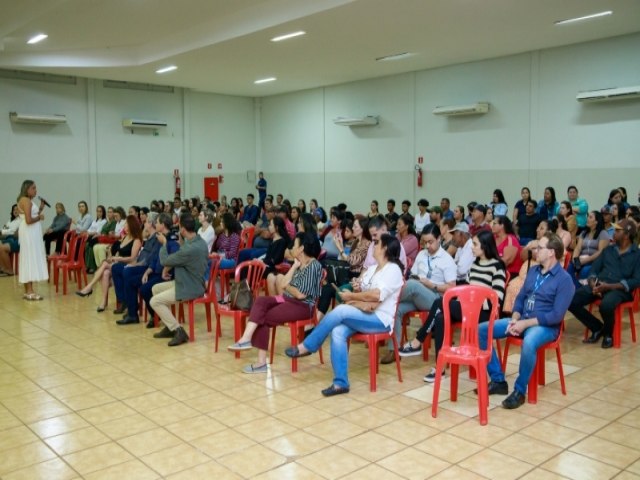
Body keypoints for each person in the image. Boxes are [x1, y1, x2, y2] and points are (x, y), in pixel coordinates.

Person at [284, 234, 404, 396]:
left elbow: (376, 295)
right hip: (365, 313)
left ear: (385, 249)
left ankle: (308, 345)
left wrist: (352, 297)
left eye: (377, 244)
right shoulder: (372, 269)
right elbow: (364, 291)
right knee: (338, 331)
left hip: (380, 320)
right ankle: (341, 383)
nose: (373, 247)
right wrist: (357, 288)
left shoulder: (393, 269)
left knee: (340, 310)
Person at [478, 233, 574, 409]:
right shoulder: (533, 271)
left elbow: (556, 315)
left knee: (529, 342)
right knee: (482, 330)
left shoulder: (564, 280)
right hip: (522, 320)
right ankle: (498, 380)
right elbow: (521, 298)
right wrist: (515, 318)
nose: (535, 250)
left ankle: (520, 391)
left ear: (551, 252)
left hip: (545, 326)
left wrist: (525, 324)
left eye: (540, 247)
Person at [400, 230, 506, 382]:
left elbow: (498, 297)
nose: (471, 248)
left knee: (439, 303)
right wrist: (466, 299)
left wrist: (474, 300)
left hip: (484, 312)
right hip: (469, 308)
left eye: (475, 244)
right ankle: (440, 366)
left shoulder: (497, 266)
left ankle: (418, 341)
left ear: (485, 246)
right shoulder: (475, 264)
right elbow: (468, 288)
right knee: (441, 318)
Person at [228, 232, 322, 372]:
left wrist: (288, 286)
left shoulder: (314, 266)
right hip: (287, 299)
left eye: (294, 245)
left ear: (301, 248)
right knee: (261, 301)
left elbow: (301, 294)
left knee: (263, 316)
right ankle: (246, 338)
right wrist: (294, 268)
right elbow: (283, 283)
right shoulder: (299, 264)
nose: (291, 249)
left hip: (302, 307)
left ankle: (260, 363)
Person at [383, 223, 456, 364]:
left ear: (439, 238)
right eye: (424, 242)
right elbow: (414, 276)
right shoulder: (422, 254)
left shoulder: (447, 259)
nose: (427, 246)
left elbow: (452, 288)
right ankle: (394, 350)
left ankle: (382, 296)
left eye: (430, 242)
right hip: (417, 295)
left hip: (435, 299)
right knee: (396, 308)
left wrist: (431, 284)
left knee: (411, 285)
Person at [569, 219, 640, 349]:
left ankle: (608, 334)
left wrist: (610, 286)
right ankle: (597, 328)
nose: (613, 233)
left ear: (627, 235)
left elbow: (636, 280)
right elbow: (594, 270)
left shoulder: (637, 255)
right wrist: (592, 283)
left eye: (617, 231)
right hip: (599, 285)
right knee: (571, 300)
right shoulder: (608, 250)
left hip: (620, 290)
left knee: (606, 305)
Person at [151, 213, 209, 346]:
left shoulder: (189, 249)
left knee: (155, 301)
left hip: (190, 287)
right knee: (155, 289)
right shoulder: (199, 242)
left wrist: (165, 244)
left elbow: (165, 260)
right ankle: (169, 325)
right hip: (189, 281)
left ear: (182, 230)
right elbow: (182, 257)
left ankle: (178, 330)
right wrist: (182, 242)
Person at [75, 215, 143, 312]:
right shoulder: (125, 237)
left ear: (131, 225)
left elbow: (132, 258)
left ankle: (89, 287)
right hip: (119, 264)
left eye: (126, 224)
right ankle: (103, 302)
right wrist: (113, 258)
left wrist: (117, 258)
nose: (124, 226)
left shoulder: (136, 240)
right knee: (105, 272)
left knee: (105, 265)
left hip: (129, 266)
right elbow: (119, 252)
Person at [113, 212, 164, 325]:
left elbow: (151, 259)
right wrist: (134, 263)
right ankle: (129, 306)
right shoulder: (150, 238)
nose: (144, 223)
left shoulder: (157, 238)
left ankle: (131, 311)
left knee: (127, 272)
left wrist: (135, 264)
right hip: (142, 265)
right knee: (118, 269)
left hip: (148, 268)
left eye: (146, 222)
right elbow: (142, 256)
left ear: (150, 223)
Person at [16, 180, 49, 299]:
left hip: (28, 232)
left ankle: (27, 290)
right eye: (33, 188)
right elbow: (29, 220)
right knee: (30, 258)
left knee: (27, 258)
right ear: (27, 189)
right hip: (29, 232)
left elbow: (29, 216)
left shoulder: (24, 200)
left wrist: (40, 209)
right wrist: (39, 217)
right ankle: (30, 291)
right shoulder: (27, 201)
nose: (36, 190)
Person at [569, 211, 609, 288]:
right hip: (581, 259)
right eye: (588, 216)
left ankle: (578, 290)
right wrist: (575, 259)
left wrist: (586, 260)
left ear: (596, 221)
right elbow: (578, 248)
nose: (587, 219)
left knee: (585, 270)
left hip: (594, 261)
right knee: (570, 267)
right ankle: (573, 288)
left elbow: (601, 251)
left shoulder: (603, 233)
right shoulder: (584, 233)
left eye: (590, 217)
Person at [1, 204, 21, 275]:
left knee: (1, 247)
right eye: (14, 210)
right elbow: (5, 229)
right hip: (8, 238)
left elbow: (14, 232)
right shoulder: (10, 220)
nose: (15, 211)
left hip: (15, 240)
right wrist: (5, 231)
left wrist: (5, 231)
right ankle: (2, 267)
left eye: (17, 209)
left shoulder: (20, 220)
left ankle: (9, 269)